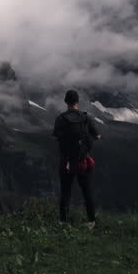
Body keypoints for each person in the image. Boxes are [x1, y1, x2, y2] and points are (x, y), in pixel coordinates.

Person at [52, 89, 101, 226]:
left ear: (66, 102)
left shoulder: (60, 119)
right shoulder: (86, 118)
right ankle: (91, 221)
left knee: (65, 192)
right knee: (87, 192)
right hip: (83, 161)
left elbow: (56, 136)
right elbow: (97, 136)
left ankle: (63, 222)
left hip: (66, 161)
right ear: (77, 102)